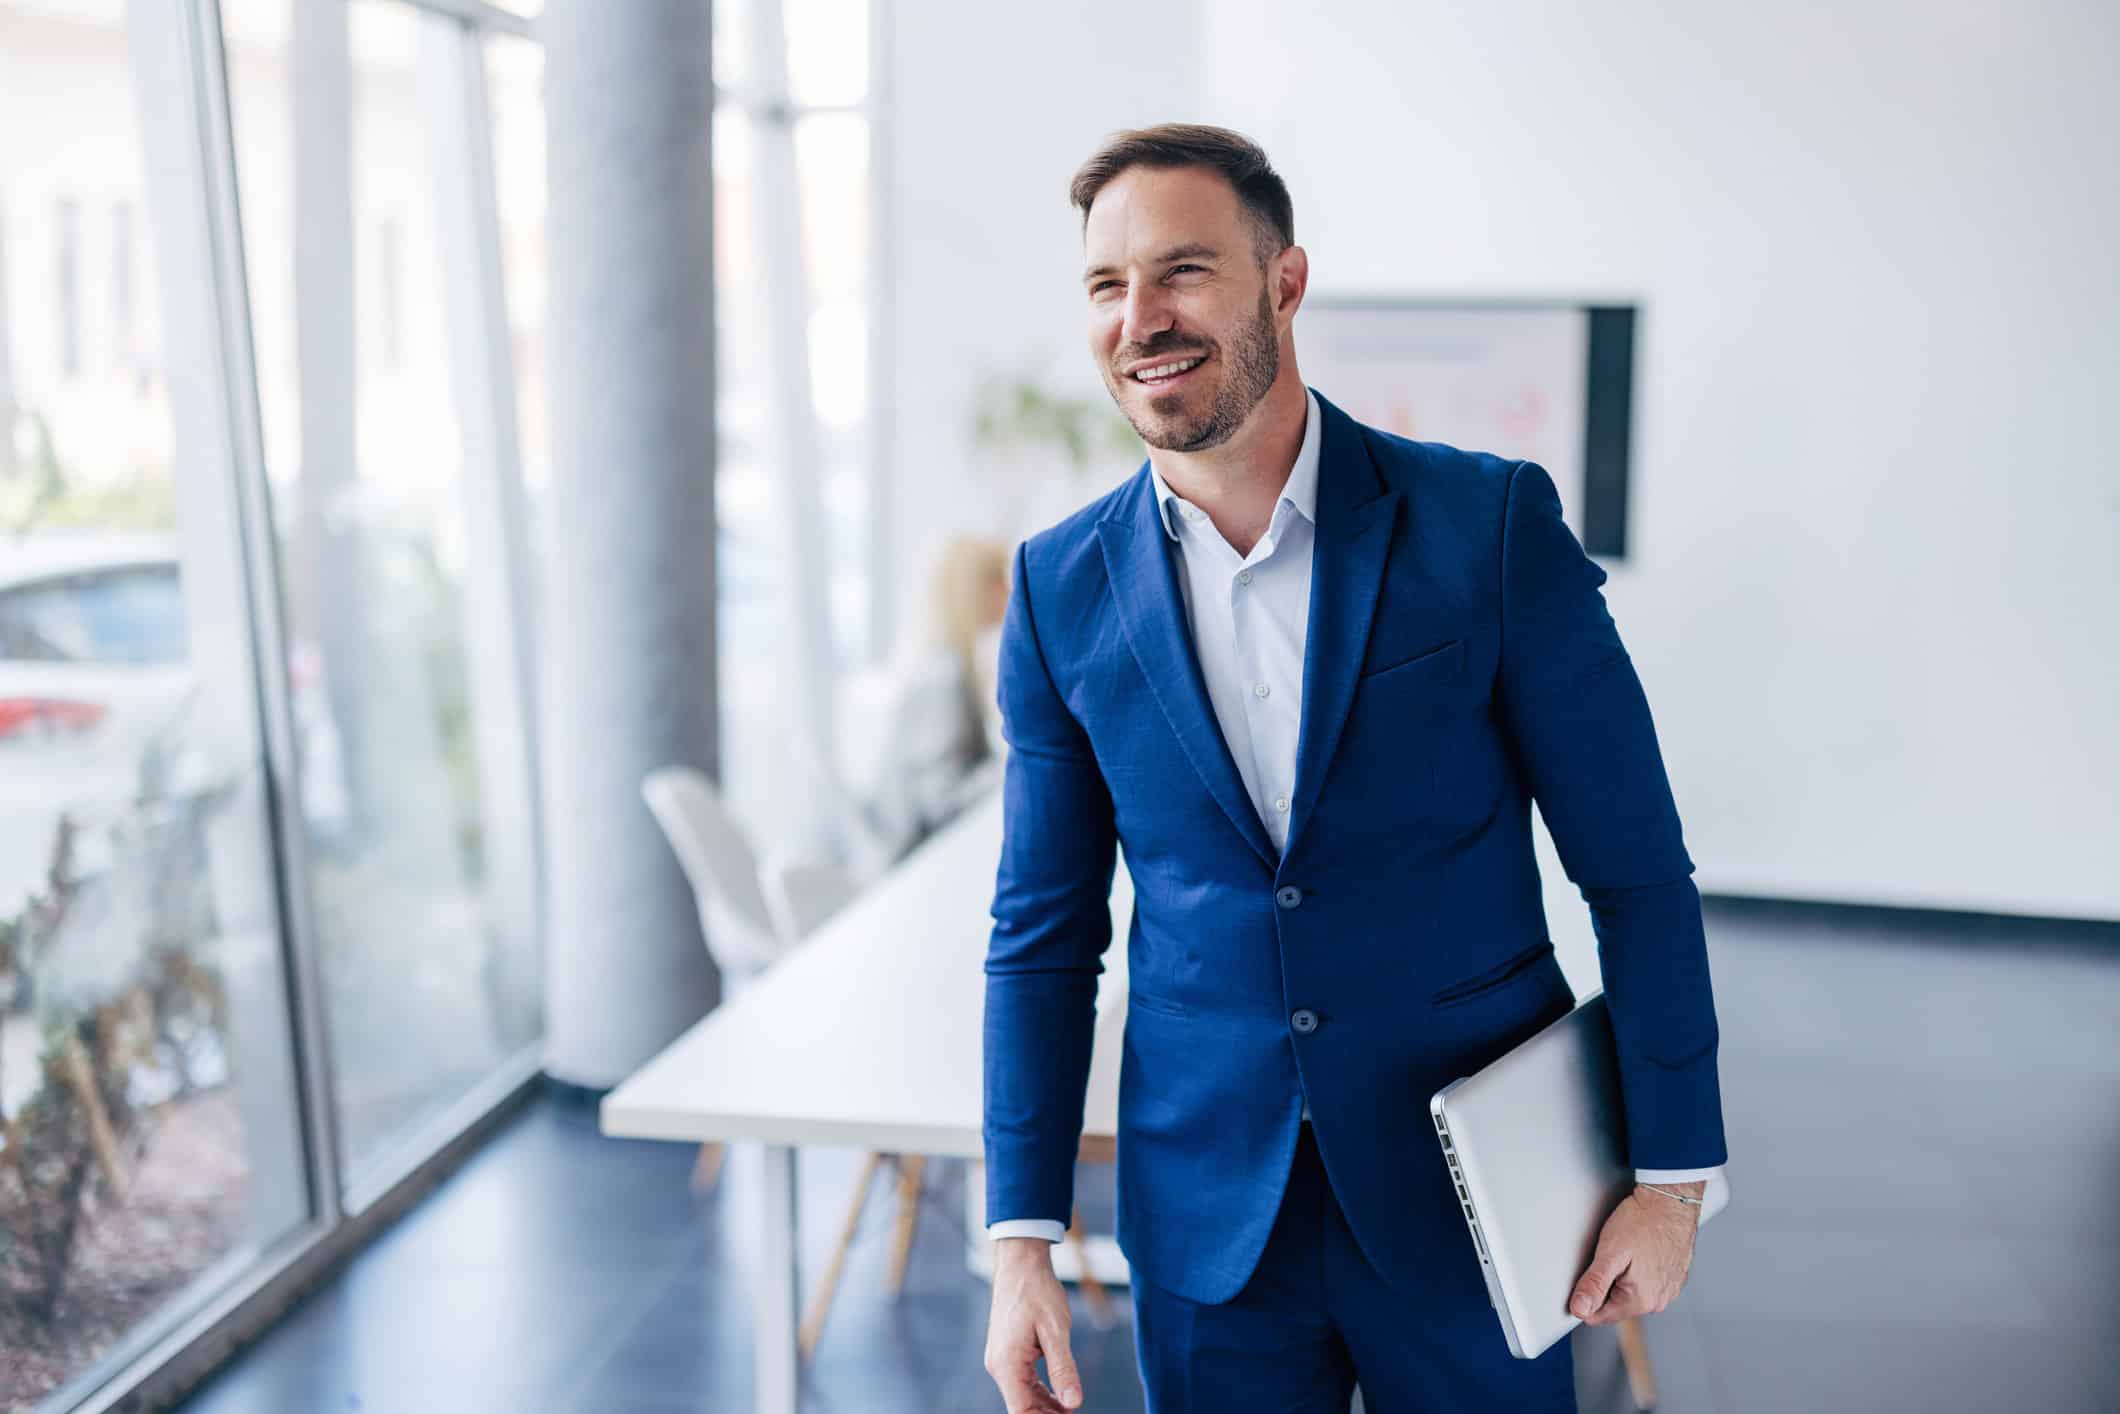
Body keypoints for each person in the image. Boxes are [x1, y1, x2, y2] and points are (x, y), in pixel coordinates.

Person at [979, 125, 1728, 1413]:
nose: (1139, 318)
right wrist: (1020, 1240)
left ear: (1284, 281)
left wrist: (1670, 1181)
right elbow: (1042, 934)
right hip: (1207, 1219)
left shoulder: (1485, 527)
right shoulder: (1056, 586)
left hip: (1476, 1199)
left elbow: (1635, 867)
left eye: (1182, 271)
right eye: (1106, 286)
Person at [855, 535, 1009, 867]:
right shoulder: (945, 678)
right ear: (977, 591)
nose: (1010, 590)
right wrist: (1014, 767)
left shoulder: (946, 663)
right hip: (907, 867)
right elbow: (940, 802)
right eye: (999, 580)